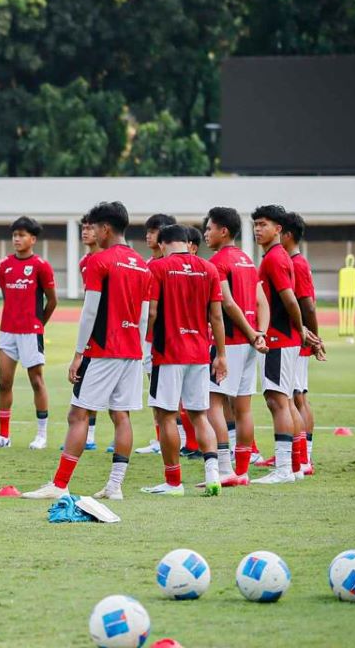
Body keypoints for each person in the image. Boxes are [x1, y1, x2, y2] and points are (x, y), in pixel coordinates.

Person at [23, 202, 149, 501]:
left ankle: (60, 483)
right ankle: (114, 486)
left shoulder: (99, 261)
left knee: (78, 414)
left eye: (93, 226)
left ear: (106, 228)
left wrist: (79, 353)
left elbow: (90, 311)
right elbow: (145, 315)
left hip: (103, 350)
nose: (90, 231)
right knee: (122, 415)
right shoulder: (142, 264)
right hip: (131, 350)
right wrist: (139, 348)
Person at [140, 225, 227, 497]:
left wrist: (142, 340)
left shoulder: (158, 268)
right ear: (187, 242)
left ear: (164, 243)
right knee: (200, 415)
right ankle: (213, 474)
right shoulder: (208, 268)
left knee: (166, 415)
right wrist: (221, 355)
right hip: (200, 352)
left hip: (168, 353)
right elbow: (216, 317)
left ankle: (173, 482)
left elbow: (151, 312)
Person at [251, 204, 319, 484]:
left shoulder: (274, 259)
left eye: (263, 224)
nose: (257, 229)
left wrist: (301, 329)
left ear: (279, 230)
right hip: (286, 338)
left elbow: (291, 299)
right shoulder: (278, 256)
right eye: (255, 224)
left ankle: (283, 469)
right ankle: (295, 464)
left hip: (279, 339)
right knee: (287, 400)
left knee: (277, 401)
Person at [202, 207, 269, 487]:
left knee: (212, 404)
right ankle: (241, 472)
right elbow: (261, 302)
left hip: (229, 342)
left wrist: (251, 332)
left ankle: (226, 468)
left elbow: (227, 304)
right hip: (250, 343)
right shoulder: (247, 261)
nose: (205, 233)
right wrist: (260, 334)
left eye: (209, 228)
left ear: (223, 231)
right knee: (243, 408)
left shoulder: (218, 262)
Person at [0, 216, 56, 450]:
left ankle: (41, 434)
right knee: (4, 382)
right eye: (15, 235)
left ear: (32, 239)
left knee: (36, 381)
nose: (17, 239)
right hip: (7, 331)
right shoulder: (4, 265)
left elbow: (52, 300)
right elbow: (8, 296)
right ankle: (3, 435)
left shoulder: (41, 266)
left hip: (30, 331)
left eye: (22, 235)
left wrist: (38, 324)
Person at [282, 211, 324, 475]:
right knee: (297, 395)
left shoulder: (296, 264)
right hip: (299, 338)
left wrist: (314, 340)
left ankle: (303, 458)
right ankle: (303, 457)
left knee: (296, 396)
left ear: (285, 234)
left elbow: (307, 304)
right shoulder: (295, 261)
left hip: (297, 340)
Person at [136, 213, 177, 456]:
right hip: (155, 338)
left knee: (165, 392)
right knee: (156, 388)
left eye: (155, 230)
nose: (150, 235)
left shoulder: (167, 265)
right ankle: (161, 437)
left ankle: (174, 439)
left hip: (161, 338)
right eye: (149, 231)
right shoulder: (146, 264)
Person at [77, 215, 107, 452]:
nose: (85, 232)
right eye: (83, 228)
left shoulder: (106, 259)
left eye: (90, 228)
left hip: (109, 332)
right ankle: (90, 435)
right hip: (91, 331)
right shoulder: (84, 261)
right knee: (86, 385)